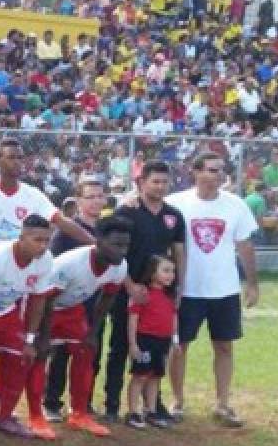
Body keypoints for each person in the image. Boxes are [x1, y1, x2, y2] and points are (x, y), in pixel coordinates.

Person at [165, 153, 259, 427]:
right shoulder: (176, 203)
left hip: (224, 290)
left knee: (224, 347)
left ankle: (223, 403)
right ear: (195, 172)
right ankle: (178, 401)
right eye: (212, 170)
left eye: (222, 170)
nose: (219, 175)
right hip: (188, 289)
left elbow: (245, 246)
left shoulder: (235, 205)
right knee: (179, 346)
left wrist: (252, 283)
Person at [27, 217, 132, 440]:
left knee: (86, 351)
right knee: (38, 356)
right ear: (99, 241)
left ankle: (79, 413)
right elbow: (45, 301)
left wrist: (93, 332)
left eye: (125, 246)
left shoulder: (119, 266)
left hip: (72, 310)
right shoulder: (70, 264)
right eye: (116, 245)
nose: (122, 251)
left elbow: (107, 299)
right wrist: (43, 337)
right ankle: (36, 416)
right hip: (43, 309)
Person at [104, 161, 186, 422]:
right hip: (126, 289)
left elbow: (179, 252)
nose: (161, 187)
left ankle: (153, 405)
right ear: (141, 182)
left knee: (156, 348)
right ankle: (112, 404)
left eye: (165, 182)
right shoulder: (127, 211)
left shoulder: (174, 215)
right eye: (155, 181)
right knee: (119, 345)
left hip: (158, 295)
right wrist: (129, 284)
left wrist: (179, 285)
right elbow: (114, 252)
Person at [0, 214, 54, 439]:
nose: (43, 246)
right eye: (37, 240)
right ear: (22, 237)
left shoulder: (45, 260)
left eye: (47, 240)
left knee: (20, 358)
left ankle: (5, 417)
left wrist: (30, 339)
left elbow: (38, 300)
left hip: (7, 313)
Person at [43, 177, 105, 420]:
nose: (95, 201)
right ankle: (51, 402)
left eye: (99, 196)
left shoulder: (106, 229)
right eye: (89, 196)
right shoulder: (67, 232)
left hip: (97, 301)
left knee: (91, 352)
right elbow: (54, 268)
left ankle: (83, 401)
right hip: (68, 303)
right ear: (78, 200)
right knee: (60, 353)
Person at [0, 138, 93, 245]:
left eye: (20, 158)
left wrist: (95, 243)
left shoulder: (33, 195)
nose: (17, 162)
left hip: (19, 261)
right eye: (11, 157)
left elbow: (61, 221)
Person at [125, 255, 179, 430]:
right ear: (152, 273)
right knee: (140, 375)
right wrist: (133, 344)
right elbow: (133, 319)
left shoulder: (170, 296)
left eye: (173, 271)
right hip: (145, 340)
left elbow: (173, 318)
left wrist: (174, 339)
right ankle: (133, 412)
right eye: (165, 270)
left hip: (163, 342)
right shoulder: (142, 293)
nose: (170, 275)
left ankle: (151, 410)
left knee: (156, 376)